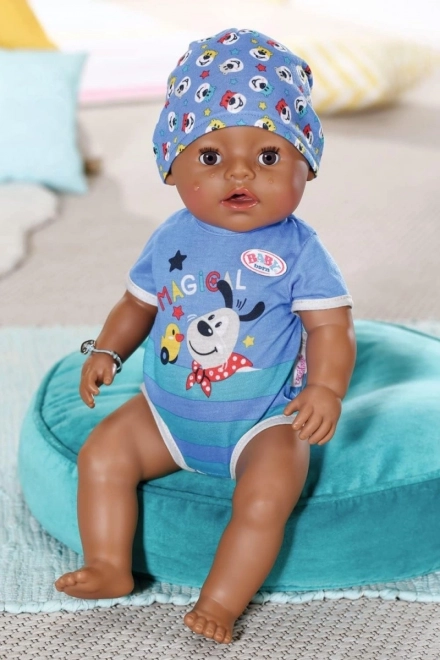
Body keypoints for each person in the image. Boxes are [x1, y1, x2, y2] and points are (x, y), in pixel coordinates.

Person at [55, 28, 356, 644]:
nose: (240, 172)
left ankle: (220, 600)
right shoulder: (172, 236)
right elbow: (137, 303)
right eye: (212, 157)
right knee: (102, 454)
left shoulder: (300, 249)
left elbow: (331, 325)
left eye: (268, 157)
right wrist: (108, 350)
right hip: (166, 414)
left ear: (306, 166)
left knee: (267, 496)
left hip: (263, 422)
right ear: (172, 167)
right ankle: (109, 564)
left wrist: (325, 389)